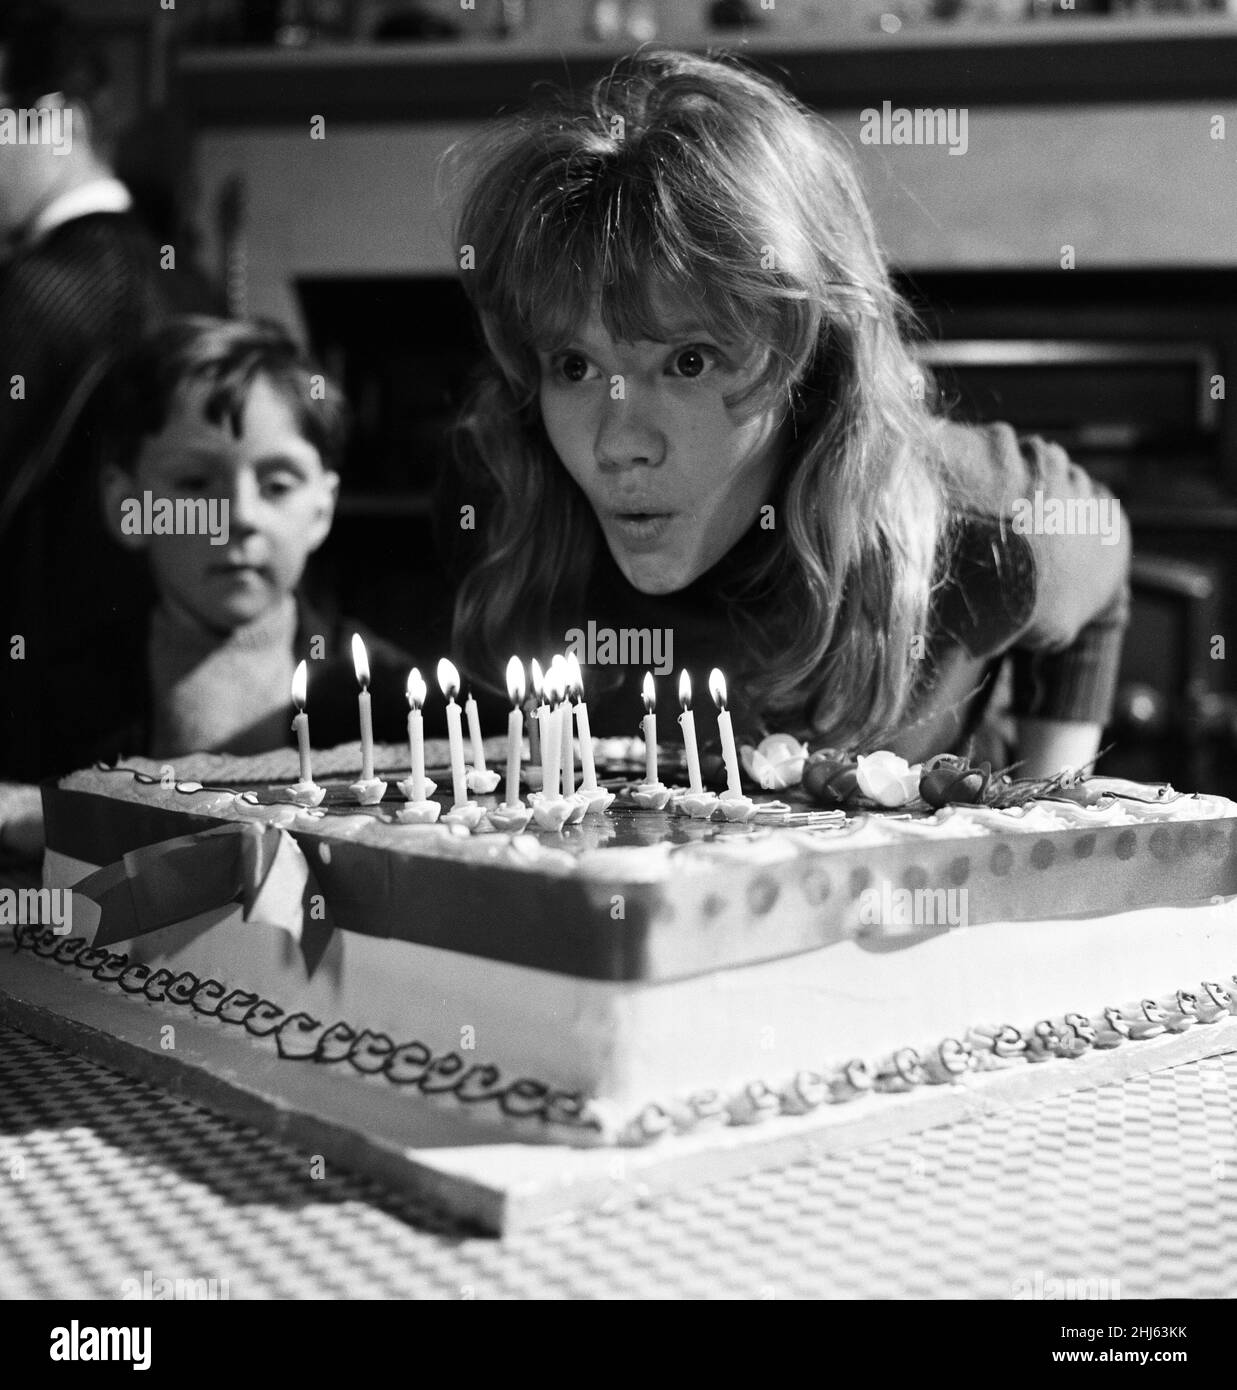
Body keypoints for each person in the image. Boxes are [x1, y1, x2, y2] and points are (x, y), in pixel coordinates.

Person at [438, 50, 1130, 778]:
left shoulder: (981, 529)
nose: (618, 445)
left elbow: (1101, 558)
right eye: (574, 367)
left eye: (688, 362)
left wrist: (1044, 801)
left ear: (815, 357)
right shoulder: (505, 499)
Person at [0, 316, 412, 857]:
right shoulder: (46, 695)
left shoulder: (389, 698)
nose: (239, 515)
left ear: (322, 507)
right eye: (195, 484)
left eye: (277, 484)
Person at [0, 0, 221, 786]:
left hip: (30, 736)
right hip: (179, 709)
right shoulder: (192, 280)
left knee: (44, 914)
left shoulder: (33, 292)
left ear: (50, 123)